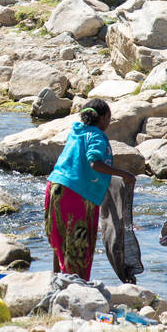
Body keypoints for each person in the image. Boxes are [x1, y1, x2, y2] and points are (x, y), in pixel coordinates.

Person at [44, 99, 135, 280]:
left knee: (60, 240)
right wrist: (123, 174)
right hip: (75, 194)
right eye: (109, 117)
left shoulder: (76, 132)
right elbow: (95, 162)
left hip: (54, 187)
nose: (109, 122)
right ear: (102, 118)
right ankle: (76, 287)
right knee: (79, 244)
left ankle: (56, 280)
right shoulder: (97, 136)